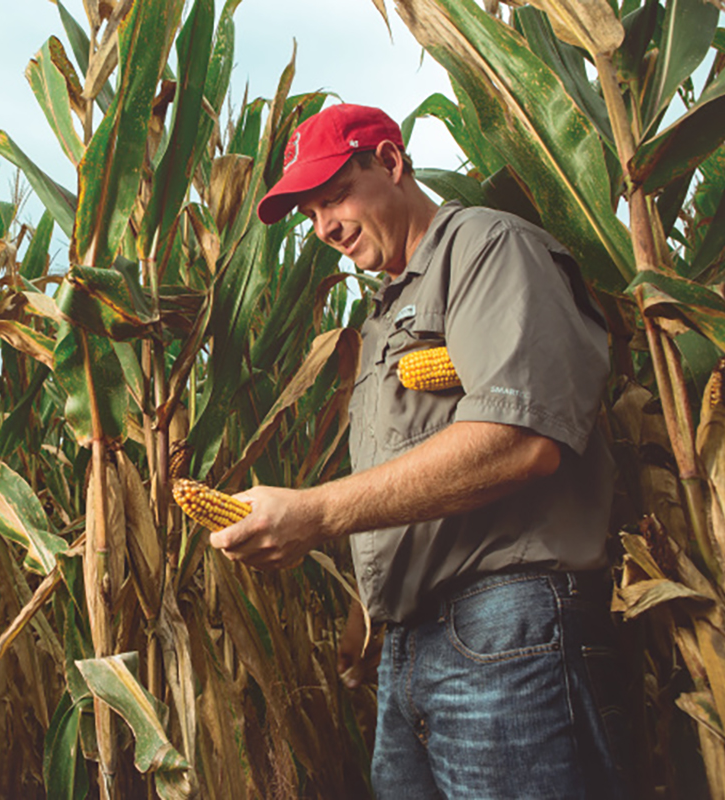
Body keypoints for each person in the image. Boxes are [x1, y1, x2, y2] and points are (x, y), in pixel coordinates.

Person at [209, 103, 627, 798]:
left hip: (507, 629)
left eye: (336, 196)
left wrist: (312, 512)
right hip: (410, 645)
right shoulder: (385, 312)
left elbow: (522, 442)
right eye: (312, 214)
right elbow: (399, 485)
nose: (327, 228)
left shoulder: (486, 249)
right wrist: (365, 617)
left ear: (393, 164)